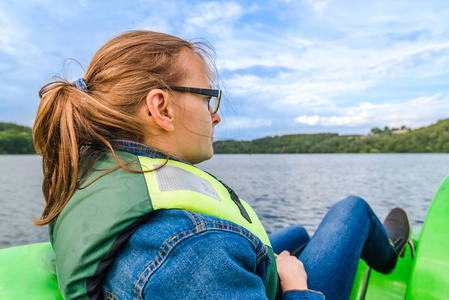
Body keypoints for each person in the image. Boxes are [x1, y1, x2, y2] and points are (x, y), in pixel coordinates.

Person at [33, 30, 411, 300]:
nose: (216, 117)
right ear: (161, 108)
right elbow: (191, 257)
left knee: (295, 233)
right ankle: (391, 258)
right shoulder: (192, 249)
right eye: (207, 98)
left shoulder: (90, 175)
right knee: (352, 210)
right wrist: (296, 287)